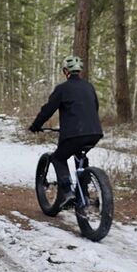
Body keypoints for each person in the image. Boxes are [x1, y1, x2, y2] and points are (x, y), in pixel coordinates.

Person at [28, 55, 103, 208]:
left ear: (65, 71)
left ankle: (68, 192)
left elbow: (48, 110)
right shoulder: (89, 87)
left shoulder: (62, 89)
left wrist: (36, 125)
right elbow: (95, 107)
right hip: (94, 133)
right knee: (81, 158)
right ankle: (84, 195)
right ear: (79, 71)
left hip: (73, 134)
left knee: (58, 158)